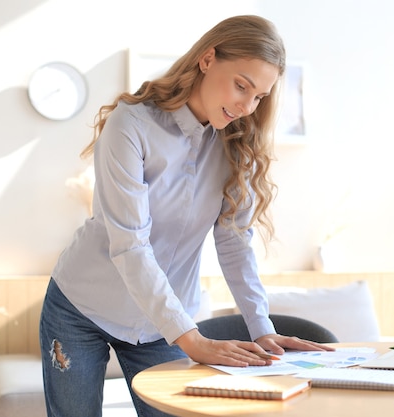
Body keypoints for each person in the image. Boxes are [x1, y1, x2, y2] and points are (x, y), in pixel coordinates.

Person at [39, 15, 333, 417]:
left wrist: (262, 328)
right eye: (241, 86)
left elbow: (234, 243)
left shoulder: (235, 144)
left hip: (161, 322)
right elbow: (130, 246)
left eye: (260, 97)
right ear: (207, 59)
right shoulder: (131, 125)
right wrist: (193, 340)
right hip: (81, 308)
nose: (247, 106)